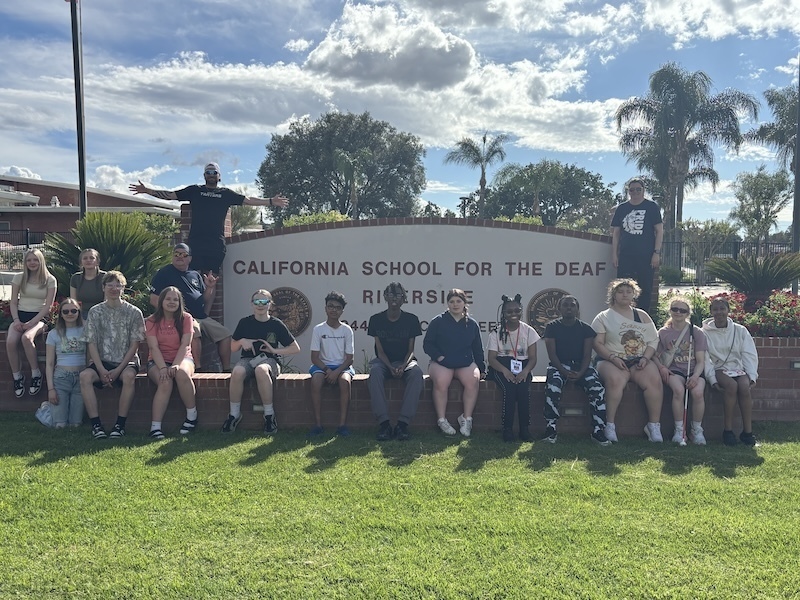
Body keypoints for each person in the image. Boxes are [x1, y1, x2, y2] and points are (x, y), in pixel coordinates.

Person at [129, 163, 289, 274]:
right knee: (193, 278)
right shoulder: (194, 191)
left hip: (216, 244)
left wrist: (269, 201)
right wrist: (148, 191)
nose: (211, 175)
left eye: (214, 172)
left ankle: (206, 316)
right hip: (196, 243)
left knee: (211, 280)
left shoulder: (225, 194)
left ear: (219, 176)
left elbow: (248, 200)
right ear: (204, 175)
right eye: (208, 172)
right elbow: (170, 195)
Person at [592, 279, 663, 443]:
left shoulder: (642, 315)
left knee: (655, 381)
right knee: (615, 381)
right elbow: (598, 343)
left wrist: (646, 357)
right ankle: (609, 425)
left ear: (634, 294)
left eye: (628, 292)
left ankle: (653, 425)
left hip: (639, 360)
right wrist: (613, 358)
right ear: (613, 295)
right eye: (620, 291)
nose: (625, 295)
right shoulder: (603, 317)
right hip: (610, 360)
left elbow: (653, 340)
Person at [221, 289, 300, 435]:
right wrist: (242, 341)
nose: (260, 305)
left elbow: (295, 348)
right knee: (237, 371)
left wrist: (274, 350)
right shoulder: (244, 323)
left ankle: (269, 416)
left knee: (261, 370)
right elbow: (233, 347)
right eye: (257, 301)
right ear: (252, 304)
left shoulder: (276, 324)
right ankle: (234, 415)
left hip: (270, 361)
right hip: (247, 359)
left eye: (264, 302)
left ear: (270, 305)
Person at [80, 271, 146, 439]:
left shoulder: (134, 312)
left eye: (118, 285)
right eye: (110, 285)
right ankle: (96, 425)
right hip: (101, 361)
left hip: (126, 362)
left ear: (123, 289)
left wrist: (117, 371)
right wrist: (101, 370)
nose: (114, 288)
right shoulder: (95, 312)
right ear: (103, 288)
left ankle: (119, 425)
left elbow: (135, 345)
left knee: (129, 377)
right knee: (85, 377)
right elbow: (91, 342)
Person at [150, 243, 232, 371]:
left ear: (190, 259)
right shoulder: (164, 273)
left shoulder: (195, 275)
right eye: (176, 254)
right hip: (182, 318)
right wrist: (173, 314)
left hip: (202, 316)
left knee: (225, 335)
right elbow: (154, 299)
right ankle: (197, 368)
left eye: (184, 254)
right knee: (194, 331)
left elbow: (204, 298)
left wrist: (210, 287)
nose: (179, 257)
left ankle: (227, 370)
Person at [543, 295, 610, 446]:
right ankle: (551, 428)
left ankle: (598, 429)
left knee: (597, 388)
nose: (569, 308)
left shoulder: (586, 329)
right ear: (559, 309)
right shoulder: (551, 327)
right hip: (559, 365)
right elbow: (552, 355)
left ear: (577, 309)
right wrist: (564, 371)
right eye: (565, 305)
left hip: (582, 366)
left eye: (572, 305)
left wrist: (580, 372)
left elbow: (588, 355)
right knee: (553, 386)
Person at [423, 288, 485, 437]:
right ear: (447, 304)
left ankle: (466, 419)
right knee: (441, 382)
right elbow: (428, 344)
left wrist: (482, 368)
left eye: (458, 301)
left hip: (464, 363)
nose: (455, 304)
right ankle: (442, 420)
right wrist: (439, 357)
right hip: (442, 363)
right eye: (451, 301)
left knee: (473, 380)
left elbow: (477, 348)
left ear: (464, 303)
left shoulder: (472, 324)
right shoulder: (438, 321)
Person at [366, 282, 424, 442]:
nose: (394, 298)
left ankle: (402, 425)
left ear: (404, 298)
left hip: (405, 361)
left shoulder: (411, 320)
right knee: (375, 372)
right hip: (383, 361)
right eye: (390, 294)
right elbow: (380, 350)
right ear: (385, 296)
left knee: (417, 373)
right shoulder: (376, 320)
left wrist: (403, 366)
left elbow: (411, 350)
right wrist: (390, 366)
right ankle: (384, 424)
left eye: (398, 294)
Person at [702, 297, 759, 446]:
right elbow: (705, 358)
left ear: (728, 310)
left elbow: (749, 353)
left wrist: (752, 375)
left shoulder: (740, 330)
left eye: (722, 309)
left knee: (744, 387)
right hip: (719, 368)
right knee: (731, 387)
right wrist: (712, 379)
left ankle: (748, 433)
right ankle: (728, 431)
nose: (719, 312)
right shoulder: (704, 333)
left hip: (737, 368)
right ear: (711, 312)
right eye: (715, 309)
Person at [652, 296, 708, 445]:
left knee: (697, 392)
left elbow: (701, 361)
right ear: (670, 311)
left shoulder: (696, 332)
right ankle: (679, 429)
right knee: (678, 390)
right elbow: (654, 355)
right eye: (674, 309)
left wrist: (695, 376)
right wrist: (661, 368)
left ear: (687, 313)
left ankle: (696, 429)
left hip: (693, 370)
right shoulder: (663, 333)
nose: (678, 313)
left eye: (682, 310)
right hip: (673, 370)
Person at [145, 287, 198, 440]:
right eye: (168, 299)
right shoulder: (152, 321)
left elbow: (185, 345)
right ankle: (155, 427)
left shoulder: (186, 318)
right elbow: (153, 347)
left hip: (183, 358)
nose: (172, 302)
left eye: (175, 299)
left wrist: (175, 364)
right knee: (165, 381)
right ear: (161, 301)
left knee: (181, 373)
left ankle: (191, 416)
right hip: (157, 360)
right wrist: (162, 367)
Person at [487, 294, 538, 442]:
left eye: (517, 310)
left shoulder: (529, 331)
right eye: (509, 312)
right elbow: (491, 358)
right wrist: (505, 371)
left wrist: (525, 371)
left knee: (523, 390)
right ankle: (507, 429)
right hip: (501, 366)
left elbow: (533, 358)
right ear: (503, 313)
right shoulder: (496, 332)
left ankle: (524, 430)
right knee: (509, 389)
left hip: (523, 366)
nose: (513, 314)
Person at [7, 249, 57, 398]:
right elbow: (14, 302)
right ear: (25, 262)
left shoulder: (50, 279)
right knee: (10, 342)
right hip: (20, 316)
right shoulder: (19, 277)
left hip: (39, 318)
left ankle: (36, 374)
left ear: (41, 261)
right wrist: (16, 320)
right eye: (29, 260)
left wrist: (31, 322)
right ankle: (18, 377)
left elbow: (48, 306)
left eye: (35, 260)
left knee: (27, 338)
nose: (32, 263)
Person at [610, 177, 663, 313]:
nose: (635, 192)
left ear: (643, 190)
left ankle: (641, 318)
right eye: (632, 190)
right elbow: (616, 233)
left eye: (638, 189)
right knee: (623, 288)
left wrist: (656, 253)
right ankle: (622, 315)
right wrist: (614, 254)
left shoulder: (651, 207)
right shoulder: (622, 208)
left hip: (646, 256)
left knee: (645, 289)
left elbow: (659, 230)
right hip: (626, 256)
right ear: (628, 191)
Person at [308, 292, 355, 437]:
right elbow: (314, 358)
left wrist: (336, 372)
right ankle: (318, 425)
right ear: (325, 308)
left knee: (345, 382)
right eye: (331, 306)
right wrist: (327, 370)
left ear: (342, 311)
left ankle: (342, 426)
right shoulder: (318, 329)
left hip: (342, 366)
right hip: (322, 366)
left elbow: (350, 359)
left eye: (338, 307)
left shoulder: (347, 330)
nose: (334, 310)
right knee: (316, 381)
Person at [44, 298, 86, 428]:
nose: (70, 314)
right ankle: (46, 408)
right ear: (61, 314)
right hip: (61, 378)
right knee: (60, 425)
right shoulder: (53, 334)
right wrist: (51, 389)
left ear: (79, 312)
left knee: (76, 424)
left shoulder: (85, 330)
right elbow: (50, 363)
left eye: (74, 311)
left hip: (81, 377)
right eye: (66, 311)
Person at [70, 248, 106, 318]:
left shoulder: (105, 277)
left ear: (97, 261)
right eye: (85, 258)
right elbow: (74, 302)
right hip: (81, 314)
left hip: (101, 313)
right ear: (81, 262)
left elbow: (107, 301)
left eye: (92, 258)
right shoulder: (75, 278)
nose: (88, 260)